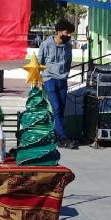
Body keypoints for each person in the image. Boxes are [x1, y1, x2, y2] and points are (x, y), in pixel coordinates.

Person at [37, 19, 78, 149]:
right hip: (49, 79)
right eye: (67, 32)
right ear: (59, 31)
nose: (69, 36)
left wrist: (65, 74)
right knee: (56, 108)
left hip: (62, 80)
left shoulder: (68, 46)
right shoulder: (45, 44)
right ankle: (63, 137)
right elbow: (39, 63)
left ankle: (57, 137)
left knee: (61, 109)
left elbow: (69, 61)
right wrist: (39, 80)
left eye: (71, 33)